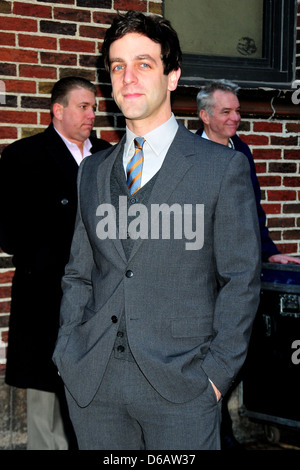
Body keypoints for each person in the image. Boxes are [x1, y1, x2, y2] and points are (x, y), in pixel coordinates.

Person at [52, 11, 261, 450]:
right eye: (117, 66)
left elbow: (240, 280)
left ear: (172, 75)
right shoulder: (91, 171)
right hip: (94, 387)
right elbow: (79, 273)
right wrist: (68, 351)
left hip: (183, 390)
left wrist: (216, 378)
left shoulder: (221, 168)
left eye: (144, 63)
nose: (128, 77)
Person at [0, 76, 111, 450]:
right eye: (83, 106)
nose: (91, 115)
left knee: (93, 384)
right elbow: (9, 231)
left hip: (100, 293)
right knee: (45, 391)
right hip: (46, 291)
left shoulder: (109, 155)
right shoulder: (22, 156)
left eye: (94, 107)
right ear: (57, 110)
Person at [196, 79, 300, 449]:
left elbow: (252, 212)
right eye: (227, 111)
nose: (236, 117)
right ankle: (218, 437)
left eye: (237, 110)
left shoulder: (242, 151)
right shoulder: (189, 155)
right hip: (202, 279)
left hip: (239, 277)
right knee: (207, 358)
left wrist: (270, 250)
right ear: (205, 116)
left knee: (237, 355)